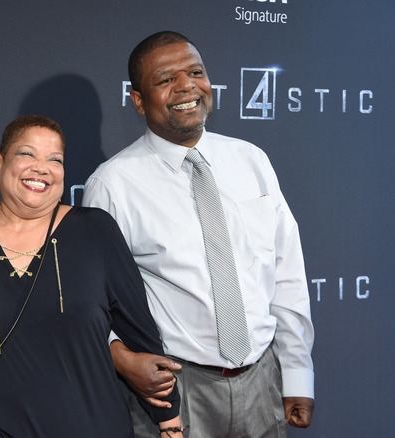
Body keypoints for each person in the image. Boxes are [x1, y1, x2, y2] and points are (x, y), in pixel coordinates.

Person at [83, 31, 315, 437]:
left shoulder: (252, 160)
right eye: (165, 79)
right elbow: (93, 298)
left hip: (263, 380)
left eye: (195, 72)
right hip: (174, 392)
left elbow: (287, 273)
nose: (187, 86)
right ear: (138, 101)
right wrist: (121, 359)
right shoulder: (112, 184)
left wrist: (296, 371)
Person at [0, 115, 182, 437]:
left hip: (93, 427)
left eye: (55, 159)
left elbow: (143, 339)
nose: (41, 167)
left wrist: (170, 426)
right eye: (27, 154)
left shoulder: (95, 231)